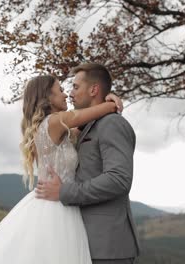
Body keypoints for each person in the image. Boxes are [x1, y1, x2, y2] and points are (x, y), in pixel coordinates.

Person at [0, 74, 122, 264]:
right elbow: (99, 111)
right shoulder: (55, 122)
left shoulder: (49, 126)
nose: (66, 95)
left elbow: (83, 127)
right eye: (60, 90)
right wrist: (111, 100)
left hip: (50, 201)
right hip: (57, 206)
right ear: (48, 97)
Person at [35, 63, 140, 264]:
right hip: (80, 241)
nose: (70, 94)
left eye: (75, 87)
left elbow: (119, 179)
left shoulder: (112, 124)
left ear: (93, 90)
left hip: (107, 248)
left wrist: (64, 192)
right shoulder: (82, 128)